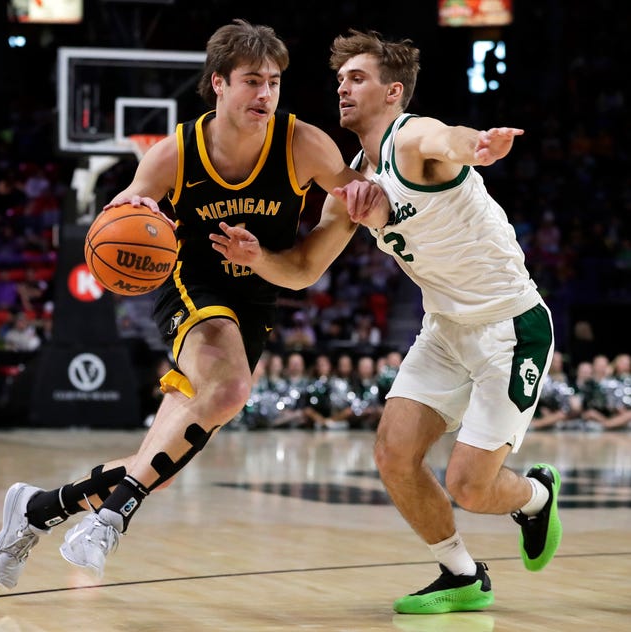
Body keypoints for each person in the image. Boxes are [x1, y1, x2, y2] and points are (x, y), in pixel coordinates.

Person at [0, 19, 387, 589]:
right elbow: (122, 218)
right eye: (253, 81)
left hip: (257, 296)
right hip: (191, 289)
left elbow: (353, 196)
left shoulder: (302, 144)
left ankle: (39, 508)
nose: (266, 94)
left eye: (274, 81)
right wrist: (129, 220)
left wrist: (378, 190)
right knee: (230, 390)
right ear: (219, 83)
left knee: (160, 464)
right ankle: (109, 523)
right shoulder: (175, 153)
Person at [210, 28, 562, 615]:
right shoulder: (352, 177)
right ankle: (461, 574)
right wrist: (257, 259)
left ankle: (535, 495)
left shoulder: (412, 137)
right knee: (393, 455)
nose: (342, 88)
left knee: (471, 487)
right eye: (340, 79)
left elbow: (448, 138)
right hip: (445, 329)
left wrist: (479, 144)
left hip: (509, 326)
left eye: (357, 78)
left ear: (393, 92)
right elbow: (302, 272)